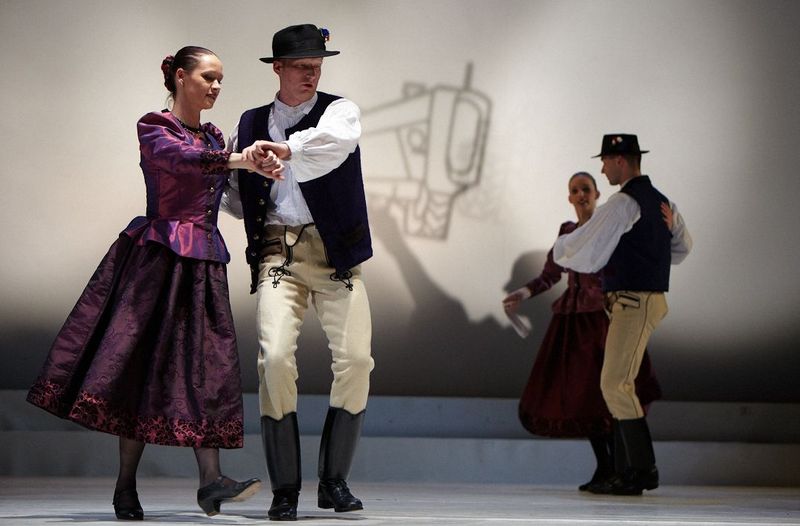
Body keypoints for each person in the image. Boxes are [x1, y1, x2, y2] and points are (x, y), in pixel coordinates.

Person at [26, 46, 284, 520]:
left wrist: (257, 169)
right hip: (159, 259)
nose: (216, 86)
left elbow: (223, 183)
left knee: (206, 367)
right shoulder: (155, 127)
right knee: (141, 367)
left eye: (220, 79)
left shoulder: (214, 135)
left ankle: (210, 481)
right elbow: (183, 160)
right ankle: (125, 485)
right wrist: (239, 160)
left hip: (203, 262)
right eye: (208, 77)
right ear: (181, 77)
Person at [221, 25, 374, 521]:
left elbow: (333, 144)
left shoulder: (338, 111)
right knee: (274, 360)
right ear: (278, 68)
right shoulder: (250, 122)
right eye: (303, 66)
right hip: (277, 254)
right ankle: (285, 490)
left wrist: (284, 150)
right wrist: (237, 170)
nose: (312, 74)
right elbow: (238, 199)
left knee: (356, 360)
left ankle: (333, 481)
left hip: (334, 254)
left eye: (317, 66)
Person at [503, 172, 662, 492]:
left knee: (612, 391)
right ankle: (605, 466)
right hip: (574, 324)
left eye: (586, 189)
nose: (581, 195)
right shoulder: (568, 232)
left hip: (605, 320)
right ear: (569, 197)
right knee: (584, 396)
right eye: (575, 190)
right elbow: (550, 274)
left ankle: (623, 468)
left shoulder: (610, 225)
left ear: (597, 193)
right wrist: (522, 293)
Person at [552, 134, 692, 495]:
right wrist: (659, 241)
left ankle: (641, 471)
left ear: (619, 161)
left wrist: (561, 248)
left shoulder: (623, 202)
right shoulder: (662, 202)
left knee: (616, 384)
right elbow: (682, 247)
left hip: (634, 301)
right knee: (616, 384)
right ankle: (630, 469)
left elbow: (587, 249)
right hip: (637, 300)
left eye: (604, 161)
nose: (602, 169)